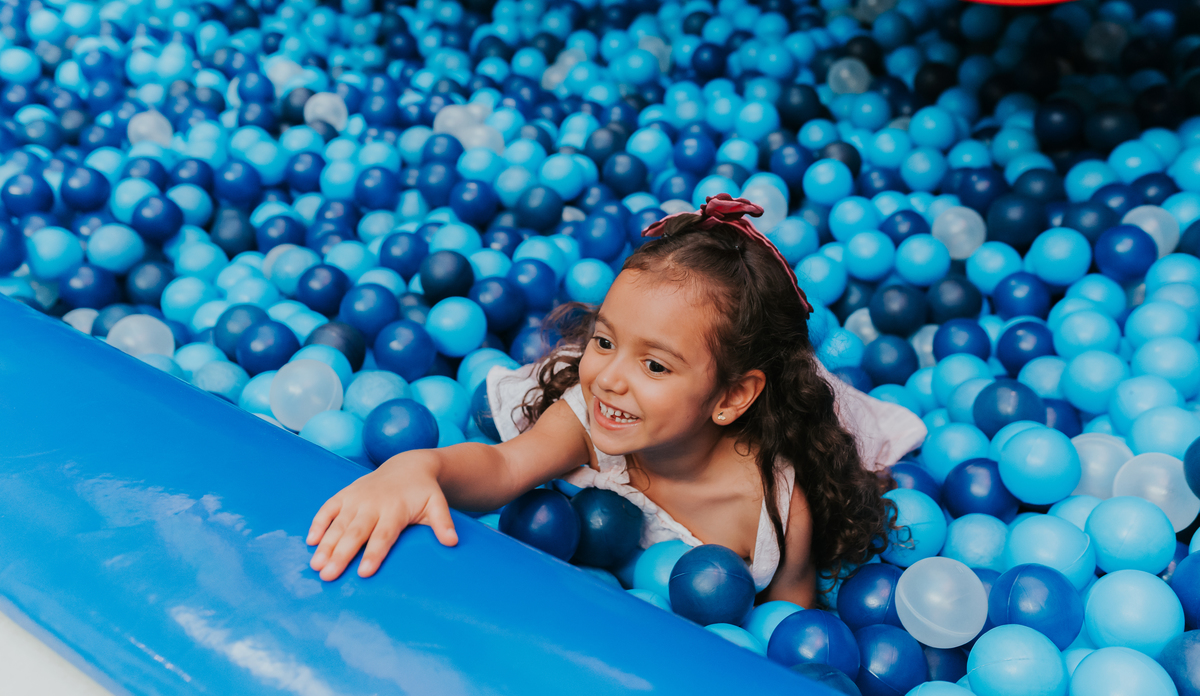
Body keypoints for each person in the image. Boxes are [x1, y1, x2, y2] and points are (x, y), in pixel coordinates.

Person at [307, 195, 925, 606]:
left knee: (841, 420)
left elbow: (793, 621)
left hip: (768, 421)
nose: (609, 378)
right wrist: (420, 468)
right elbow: (504, 467)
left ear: (732, 397)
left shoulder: (775, 505)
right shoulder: (587, 415)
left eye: (655, 364)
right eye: (605, 338)